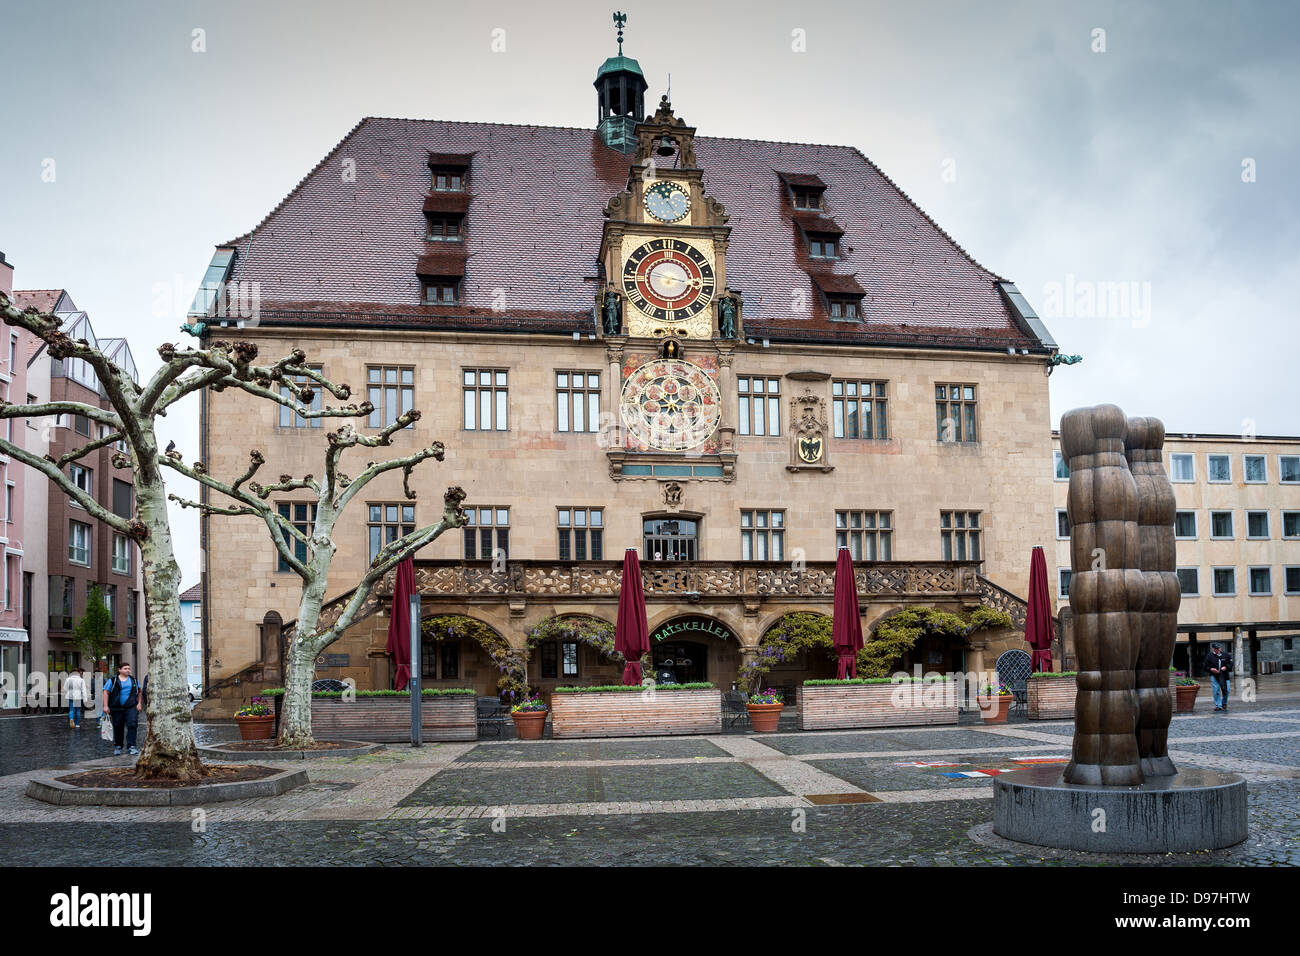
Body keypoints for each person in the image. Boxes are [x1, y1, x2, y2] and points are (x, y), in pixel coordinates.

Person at [101, 663, 143, 756]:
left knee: (132, 724)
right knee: (118, 726)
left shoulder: (134, 681)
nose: (128, 670)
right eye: (125, 668)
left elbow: (139, 692)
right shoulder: (113, 680)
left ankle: (131, 746)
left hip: (131, 706)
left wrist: (139, 703)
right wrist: (105, 706)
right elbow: (106, 692)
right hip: (117, 707)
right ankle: (118, 746)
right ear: (119, 670)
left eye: (129, 668)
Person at [1203, 641, 1233, 712]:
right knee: (1216, 690)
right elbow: (1204, 666)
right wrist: (1211, 669)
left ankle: (1224, 703)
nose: (1218, 650)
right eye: (1216, 648)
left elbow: (1231, 664)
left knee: (1227, 690)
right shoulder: (1209, 656)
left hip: (1225, 675)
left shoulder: (1226, 655)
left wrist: (1226, 667)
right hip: (1214, 676)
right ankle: (1218, 705)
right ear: (1213, 649)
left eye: (1219, 648)